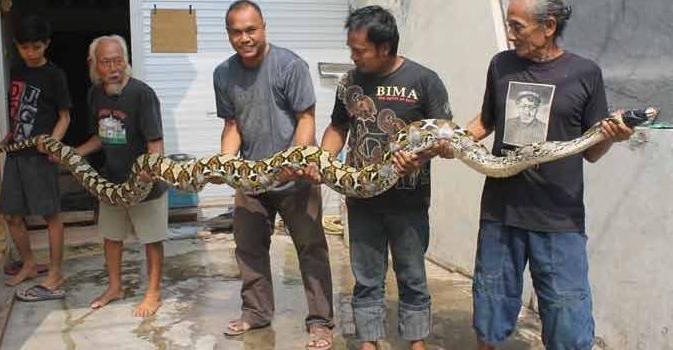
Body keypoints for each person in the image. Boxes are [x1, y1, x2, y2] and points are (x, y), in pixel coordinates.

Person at [455, 0, 635, 349]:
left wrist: (612, 137)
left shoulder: (586, 73)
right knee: (490, 312)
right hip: (501, 212)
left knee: (569, 323)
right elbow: (486, 122)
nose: (510, 35)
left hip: (559, 219)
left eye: (518, 27)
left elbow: (592, 150)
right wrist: (450, 141)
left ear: (548, 26)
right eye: (508, 24)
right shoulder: (501, 65)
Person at [308, 6, 453, 350]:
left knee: (413, 275)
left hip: (409, 200)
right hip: (362, 200)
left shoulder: (423, 81)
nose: (353, 56)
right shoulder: (350, 82)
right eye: (351, 49)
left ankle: (416, 341)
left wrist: (420, 157)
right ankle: (369, 340)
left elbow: (445, 138)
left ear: (384, 48)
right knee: (367, 276)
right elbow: (338, 127)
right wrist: (322, 159)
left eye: (359, 50)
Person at [213, 1, 334, 349]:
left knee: (311, 249)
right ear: (229, 34)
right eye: (236, 32)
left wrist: (295, 159)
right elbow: (232, 125)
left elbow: (306, 118)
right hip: (251, 178)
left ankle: (321, 322)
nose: (244, 38)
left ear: (263, 27)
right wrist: (225, 162)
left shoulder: (290, 65)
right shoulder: (223, 73)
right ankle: (256, 312)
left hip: (295, 179)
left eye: (251, 29)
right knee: (248, 247)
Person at [73, 35, 167, 318]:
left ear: (127, 61)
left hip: (144, 182)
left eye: (119, 60)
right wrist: (73, 153)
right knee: (111, 237)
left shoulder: (142, 94)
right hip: (111, 181)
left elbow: (156, 144)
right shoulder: (95, 94)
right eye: (106, 62)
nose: (114, 67)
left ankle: (153, 293)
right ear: (94, 65)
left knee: (151, 239)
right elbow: (101, 136)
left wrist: (149, 174)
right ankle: (115, 287)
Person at [0, 15, 71, 302]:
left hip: (41, 157)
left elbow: (65, 117)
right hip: (16, 153)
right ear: (17, 46)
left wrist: (53, 143)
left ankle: (55, 271)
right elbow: (18, 108)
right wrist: (9, 134)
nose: (30, 52)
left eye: (36, 47)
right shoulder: (16, 70)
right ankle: (28, 264)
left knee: (50, 215)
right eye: (25, 47)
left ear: (46, 45)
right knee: (11, 214)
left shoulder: (55, 76)